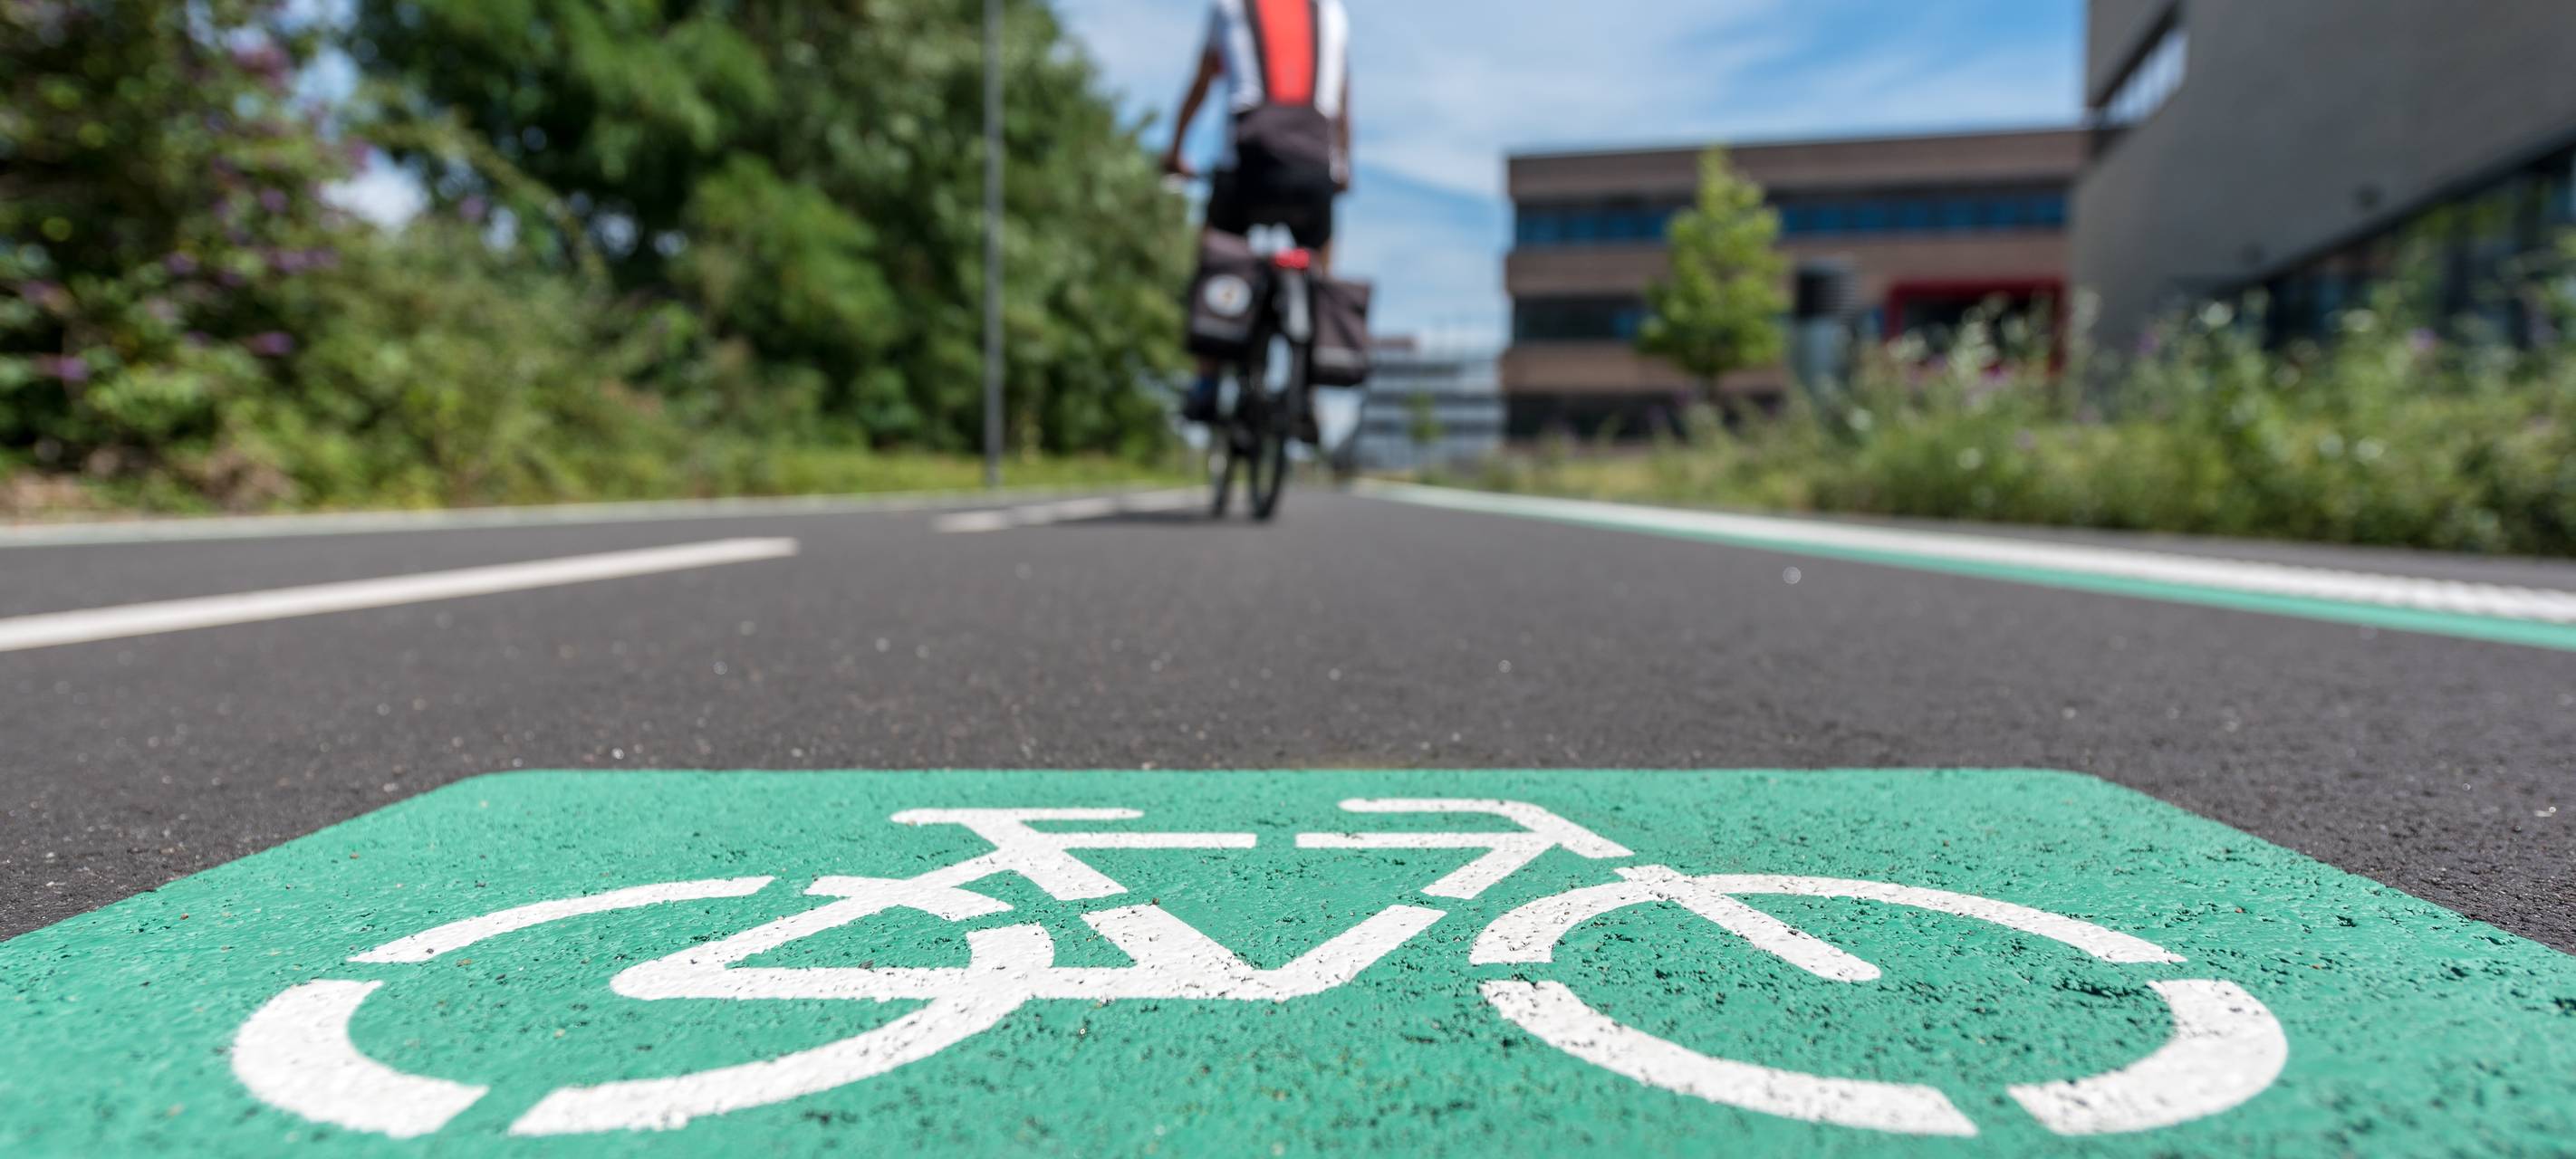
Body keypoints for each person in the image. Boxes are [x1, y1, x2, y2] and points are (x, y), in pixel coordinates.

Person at [1161, 0, 1353, 424]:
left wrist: (1175, 152)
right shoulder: (1331, 12)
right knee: (1320, 260)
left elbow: (1201, 83)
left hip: (1250, 165)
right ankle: (1312, 382)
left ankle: (1206, 383)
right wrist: (1344, 169)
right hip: (1314, 168)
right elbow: (1341, 100)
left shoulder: (1230, 7)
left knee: (1218, 254)